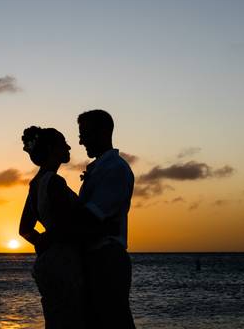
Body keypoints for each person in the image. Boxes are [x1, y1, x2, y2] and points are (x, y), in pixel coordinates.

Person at [19, 126, 85, 329]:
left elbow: (25, 229)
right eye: (63, 142)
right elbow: (65, 225)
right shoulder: (54, 182)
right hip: (64, 262)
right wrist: (50, 242)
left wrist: (42, 244)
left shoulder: (35, 183)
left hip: (47, 262)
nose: (68, 146)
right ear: (51, 148)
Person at [77, 109, 135, 329]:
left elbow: (91, 217)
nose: (81, 141)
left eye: (85, 134)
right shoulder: (103, 167)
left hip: (107, 258)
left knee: (114, 320)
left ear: (103, 132)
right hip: (96, 258)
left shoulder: (115, 169)